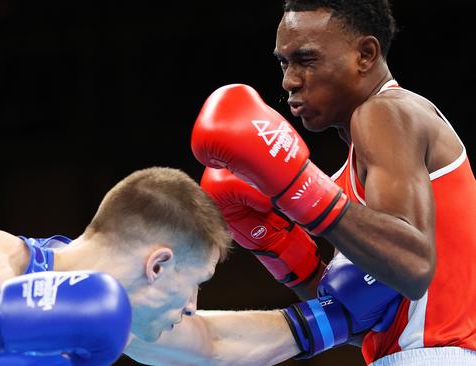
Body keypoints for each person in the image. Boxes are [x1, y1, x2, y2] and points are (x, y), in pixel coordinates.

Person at [0, 165, 405, 366]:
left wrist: (331, 319)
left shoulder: (117, 321)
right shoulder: (0, 262)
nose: (190, 309)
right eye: (193, 287)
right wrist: (0, 322)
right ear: (157, 264)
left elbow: (215, 346)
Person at [189, 0, 476, 365]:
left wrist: (299, 189)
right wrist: (281, 248)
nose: (289, 80)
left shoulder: (386, 112)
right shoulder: (352, 174)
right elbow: (360, 318)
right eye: (283, 62)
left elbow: (414, 267)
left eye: (306, 60)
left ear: (365, 55)